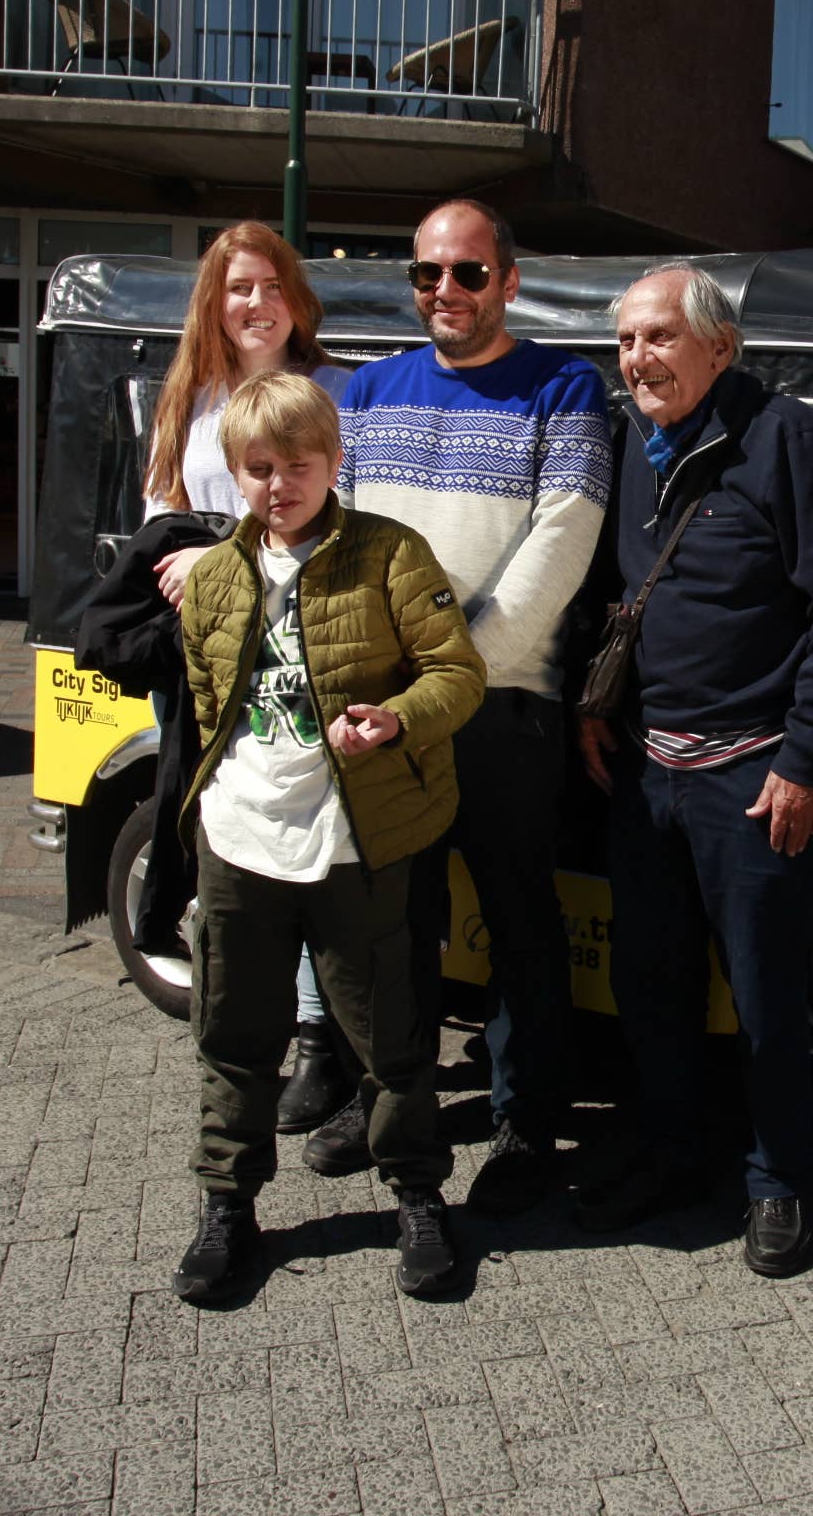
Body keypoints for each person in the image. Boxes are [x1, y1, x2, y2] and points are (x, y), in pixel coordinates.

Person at [574, 264, 813, 1277]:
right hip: (647, 773)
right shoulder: (626, 445)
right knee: (649, 981)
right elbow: (612, 594)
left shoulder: (786, 440)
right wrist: (594, 710)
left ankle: (777, 1179)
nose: (638, 359)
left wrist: (803, 759)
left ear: (720, 346)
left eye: (659, 337)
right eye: (626, 341)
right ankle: (671, 1152)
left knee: (763, 992)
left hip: (753, 781)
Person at [167, 372, 486, 1305]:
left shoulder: (390, 555)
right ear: (234, 473)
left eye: (297, 465)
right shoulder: (216, 579)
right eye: (258, 468)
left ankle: (419, 1200)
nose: (279, 485)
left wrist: (392, 720)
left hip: (358, 848)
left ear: (334, 461)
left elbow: (457, 675)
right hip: (239, 845)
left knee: (390, 1041)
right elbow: (202, 701)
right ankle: (228, 1208)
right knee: (233, 1037)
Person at [325, 199, 614, 1216]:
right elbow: (342, 536)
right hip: (388, 706)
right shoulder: (365, 392)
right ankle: (393, 1101)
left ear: (510, 280)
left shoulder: (567, 388)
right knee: (392, 924)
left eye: (467, 273)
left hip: (501, 704)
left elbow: (563, 543)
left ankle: (525, 1119)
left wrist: (451, 673)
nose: (444, 291)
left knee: (518, 920)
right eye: (426, 274)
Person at [141, 223, 360, 1138]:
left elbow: (352, 513)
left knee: (313, 832)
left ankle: (321, 1040)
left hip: (307, 648)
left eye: (272, 285)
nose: (256, 303)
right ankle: (244, 1037)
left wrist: (221, 554)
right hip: (209, 654)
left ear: (296, 298)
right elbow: (161, 510)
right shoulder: (188, 394)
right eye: (238, 288)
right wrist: (196, 560)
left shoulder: (338, 388)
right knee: (234, 836)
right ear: (215, 302)